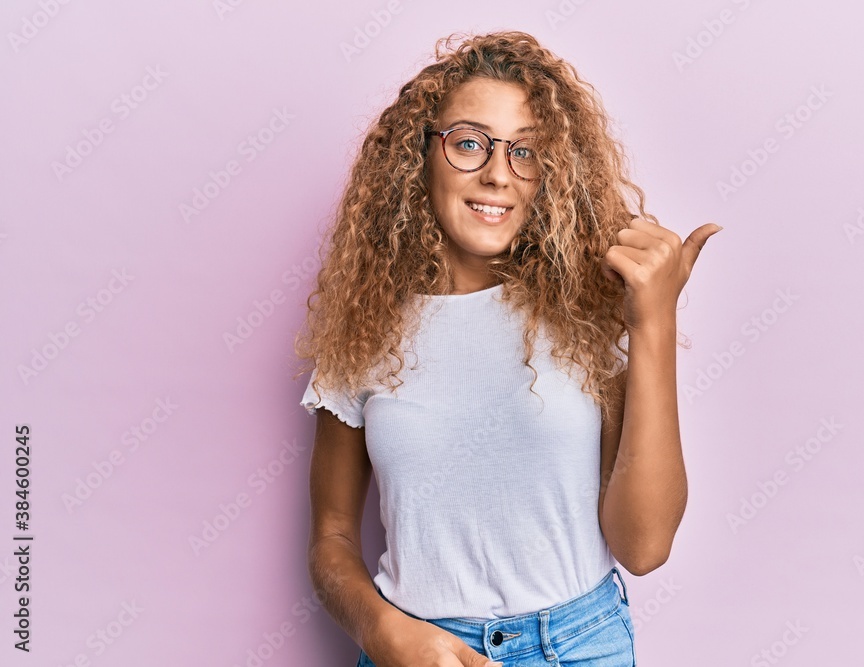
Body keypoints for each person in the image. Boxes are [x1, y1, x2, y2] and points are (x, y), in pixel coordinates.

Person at [293, 30, 721, 667]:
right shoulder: (364, 327)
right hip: (419, 649)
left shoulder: (585, 316)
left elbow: (644, 546)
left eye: (526, 151)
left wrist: (653, 321)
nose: (498, 174)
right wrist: (383, 632)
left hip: (579, 647)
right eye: (470, 143)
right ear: (419, 156)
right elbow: (330, 537)